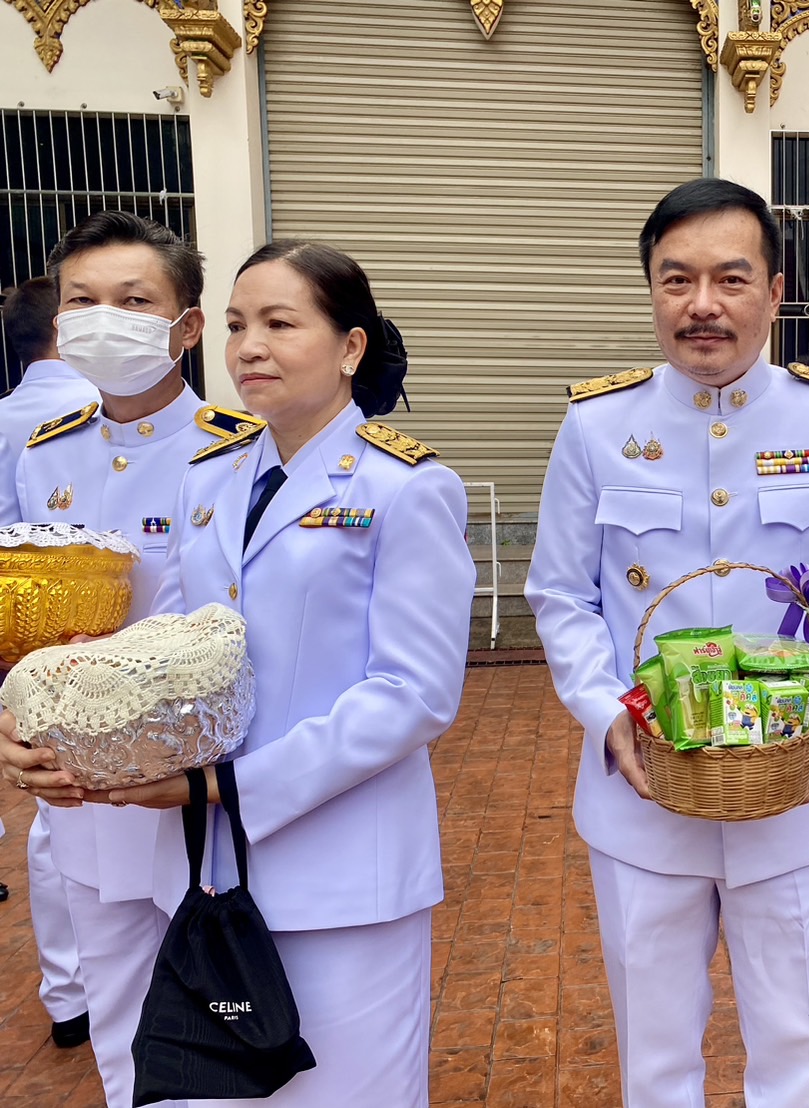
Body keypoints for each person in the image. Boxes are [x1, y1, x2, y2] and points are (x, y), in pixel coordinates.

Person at [525, 177, 809, 1108]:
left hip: (795, 790)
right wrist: (606, 710)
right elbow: (561, 594)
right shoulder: (597, 427)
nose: (702, 305)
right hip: (642, 789)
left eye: (730, 279)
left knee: (793, 1047)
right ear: (649, 290)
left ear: (775, 292)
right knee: (653, 1056)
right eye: (675, 279)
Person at [97, 240, 470, 1106]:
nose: (248, 347)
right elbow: (170, 642)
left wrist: (227, 783)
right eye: (234, 326)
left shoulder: (408, 488)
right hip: (203, 866)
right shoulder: (215, 479)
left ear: (350, 347)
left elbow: (412, 695)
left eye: (278, 323)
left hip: (343, 875)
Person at [0, 211, 225, 1107]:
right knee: (118, 1007)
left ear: (188, 325)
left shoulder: (234, 451)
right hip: (75, 791)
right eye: (84, 301)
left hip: (190, 788)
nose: (105, 318)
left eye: (134, 301)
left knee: (220, 1004)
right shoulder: (44, 456)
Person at [0, 276, 99, 1051]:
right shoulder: (79, 425)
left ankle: (69, 996)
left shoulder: (5, 419)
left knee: (51, 824)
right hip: (96, 660)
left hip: (24, 659)